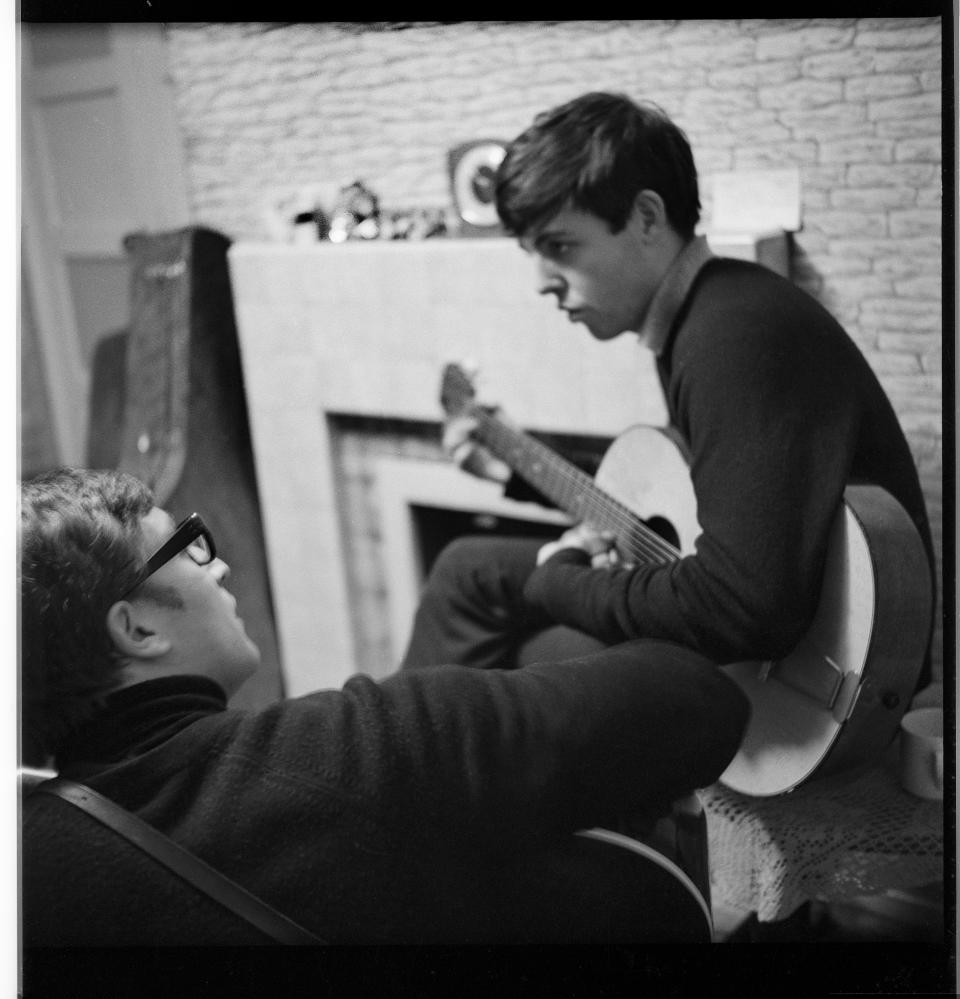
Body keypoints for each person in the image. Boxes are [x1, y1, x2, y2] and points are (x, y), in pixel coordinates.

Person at [20, 467, 748, 944]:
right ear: (137, 628)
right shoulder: (346, 753)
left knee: (463, 572)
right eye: (187, 548)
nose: (220, 565)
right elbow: (699, 698)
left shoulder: (29, 862)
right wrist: (573, 585)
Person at [401, 91, 934, 688]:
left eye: (559, 247)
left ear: (647, 218)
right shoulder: (705, 314)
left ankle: (407, 766)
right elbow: (694, 513)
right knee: (467, 569)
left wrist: (565, 580)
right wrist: (508, 470)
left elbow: (741, 608)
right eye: (532, 253)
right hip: (770, 628)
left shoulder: (734, 337)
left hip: (809, 679)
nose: (541, 284)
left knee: (526, 652)